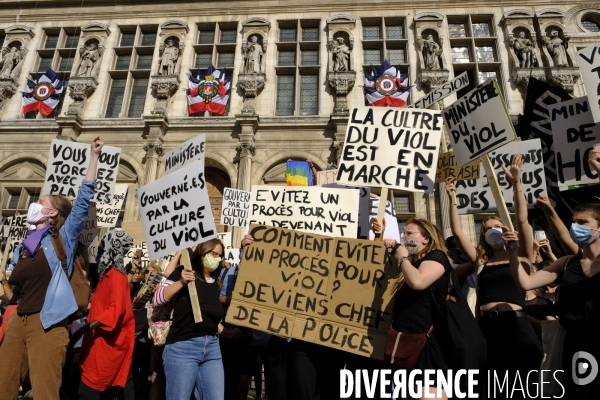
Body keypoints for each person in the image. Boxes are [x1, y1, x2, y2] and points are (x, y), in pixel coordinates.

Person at [0, 137, 103, 400]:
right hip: (18, 320)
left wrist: (93, 157)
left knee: (45, 392)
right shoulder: (25, 244)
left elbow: (83, 200)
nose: (34, 206)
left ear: (53, 213)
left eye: (41, 203)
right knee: (4, 386)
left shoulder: (62, 238)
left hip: (48, 323)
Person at [445, 154, 542, 397]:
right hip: (487, 326)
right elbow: (457, 232)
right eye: (486, 229)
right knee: (491, 384)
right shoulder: (481, 260)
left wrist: (516, 184)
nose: (492, 231)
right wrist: (452, 197)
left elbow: (522, 218)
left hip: (517, 324)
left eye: (496, 227)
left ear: (505, 229)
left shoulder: (521, 255)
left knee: (523, 383)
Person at [505, 202, 600, 397]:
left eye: (582, 222)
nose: (575, 226)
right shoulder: (566, 263)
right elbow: (526, 282)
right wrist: (512, 252)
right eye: (573, 222)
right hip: (576, 344)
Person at [152, 239, 240, 400]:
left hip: (212, 349)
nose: (215, 257)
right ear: (202, 252)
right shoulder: (183, 272)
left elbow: (209, 319)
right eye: (212, 253)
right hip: (182, 348)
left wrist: (226, 333)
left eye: (219, 255)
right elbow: (157, 299)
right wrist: (181, 282)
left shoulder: (216, 283)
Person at [383, 218, 452, 399]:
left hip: (426, 345)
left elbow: (418, 282)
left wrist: (402, 257)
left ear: (426, 239)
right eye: (403, 233)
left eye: (409, 233)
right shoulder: (409, 266)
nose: (404, 237)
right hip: (404, 343)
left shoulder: (437, 257)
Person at [72, 230, 136, 400]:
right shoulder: (106, 275)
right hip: (97, 341)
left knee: (90, 393)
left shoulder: (116, 275)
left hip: (107, 345)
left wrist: (84, 328)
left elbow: (115, 311)